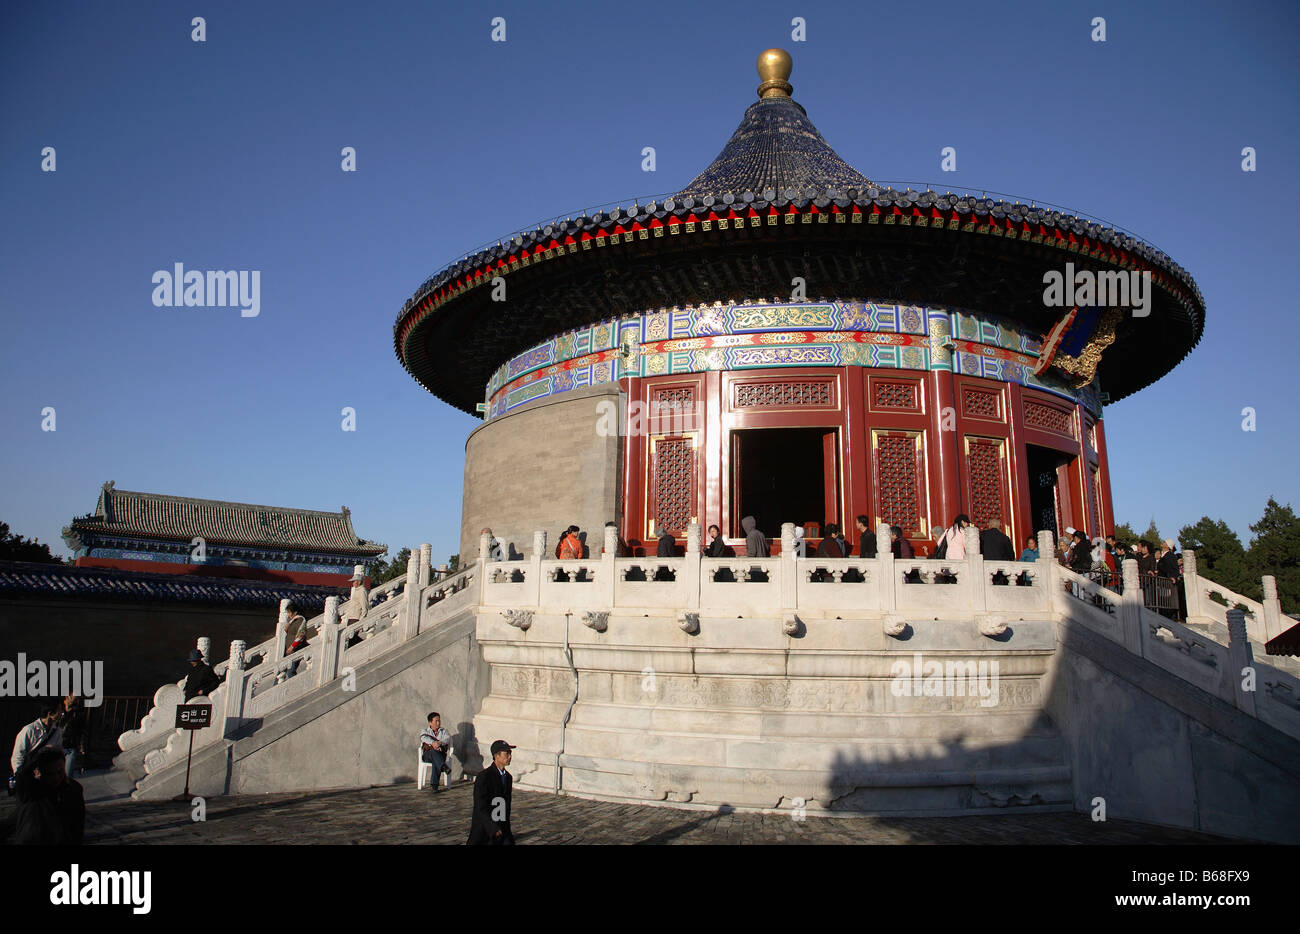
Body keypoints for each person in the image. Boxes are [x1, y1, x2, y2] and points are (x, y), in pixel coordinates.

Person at [10, 746, 84, 845]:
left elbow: (77, 825)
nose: (56, 778)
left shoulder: (73, 789)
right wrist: (38, 757)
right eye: (49, 774)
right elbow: (22, 776)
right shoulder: (32, 791)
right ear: (40, 772)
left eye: (59, 772)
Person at [467, 740, 516, 845]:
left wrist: (505, 829)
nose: (510, 756)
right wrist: (493, 828)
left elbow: (506, 806)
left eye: (510, 753)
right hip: (485, 830)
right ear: (496, 756)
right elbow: (481, 806)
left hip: (502, 829)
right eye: (507, 754)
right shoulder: (484, 776)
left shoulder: (508, 778)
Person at [11, 703, 62, 777]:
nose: (61, 713)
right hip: (28, 773)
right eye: (59, 710)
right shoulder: (29, 730)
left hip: (48, 774)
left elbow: (58, 753)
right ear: (50, 713)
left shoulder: (57, 731)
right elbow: (18, 755)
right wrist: (19, 775)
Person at [56, 693, 88, 779]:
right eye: (72, 697)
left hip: (71, 747)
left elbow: (82, 732)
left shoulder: (78, 714)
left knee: (67, 776)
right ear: (66, 697)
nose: (74, 699)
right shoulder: (58, 712)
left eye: (76, 698)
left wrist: (82, 749)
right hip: (57, 747)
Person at [420, 711, 453, 790]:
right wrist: (433, 743)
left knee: (436, 758)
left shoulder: (444, 731)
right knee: (434, 753)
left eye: (439, 721)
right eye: (436, 721)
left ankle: (435, 786)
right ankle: (443, 767)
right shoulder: (425, 731)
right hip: (428, 755)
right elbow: (423, 738)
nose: (438, 723)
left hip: (439, 754)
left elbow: (447, 738)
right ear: (430, 722)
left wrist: (440, 742)